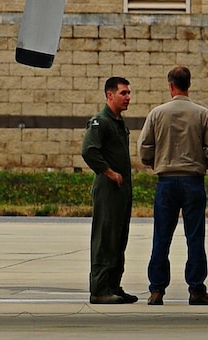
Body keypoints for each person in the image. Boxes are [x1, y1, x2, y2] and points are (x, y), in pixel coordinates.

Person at [137, 64, 208, 305]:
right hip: (193, 180)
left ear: (170, 86)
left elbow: (144, 147)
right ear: (189, 85)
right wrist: (203, 162)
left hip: (166, 181)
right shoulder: (202, 114)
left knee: (161, 237)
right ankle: (196, 289)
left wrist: (155, 161)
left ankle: (156, 290)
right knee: (194, 236)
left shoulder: (157, 113)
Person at [82, 75, 137, 304]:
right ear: (109, 95)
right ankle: (100, 289)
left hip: (121, 191)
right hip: (108, 188)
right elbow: (89, 150)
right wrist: (109, 172)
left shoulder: (118, 122)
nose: (128, 97)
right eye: (123, 93)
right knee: (105, 238)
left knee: (119, 238)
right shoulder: (100, 121)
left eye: (128, 93)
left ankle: (114, 285)